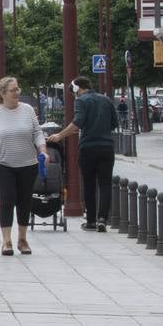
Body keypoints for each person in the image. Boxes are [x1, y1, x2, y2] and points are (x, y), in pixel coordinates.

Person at [0, 76, 47, 256]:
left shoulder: (27, 110)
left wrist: (43, 150)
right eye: (12, 90)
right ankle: (6, 240)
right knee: (7, 199)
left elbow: (37, 132)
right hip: (3, 164)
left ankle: (22, 239)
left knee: (25, 201)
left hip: (28, 163)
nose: (17, 92)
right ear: (2, 94)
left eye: (18, 89)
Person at [49, 76, 119, 232]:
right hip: (107, 147)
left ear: (76, 88)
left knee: (89, 185)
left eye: (74, 92)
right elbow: (115, 123)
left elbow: (78, 122)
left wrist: (60, 135)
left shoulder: (81, 101)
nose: (74, 96)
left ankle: (91, 221)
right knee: (105, 184)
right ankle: (102, 219)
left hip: (88, 147)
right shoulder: (106, 100)